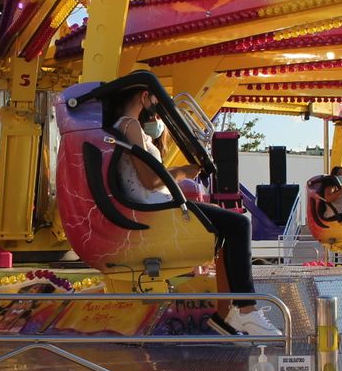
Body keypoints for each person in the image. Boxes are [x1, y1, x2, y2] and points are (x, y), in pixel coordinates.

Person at [110, 84, 276, 335]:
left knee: (224, 227)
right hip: (154, 208)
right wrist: (183, 172)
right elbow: (150, 180)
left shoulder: (123, 126)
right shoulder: (129, 125)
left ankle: (225, 315)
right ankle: (245, 309)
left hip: (152, 204)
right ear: (145, 96)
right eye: (155, 100)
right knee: (240, 224)